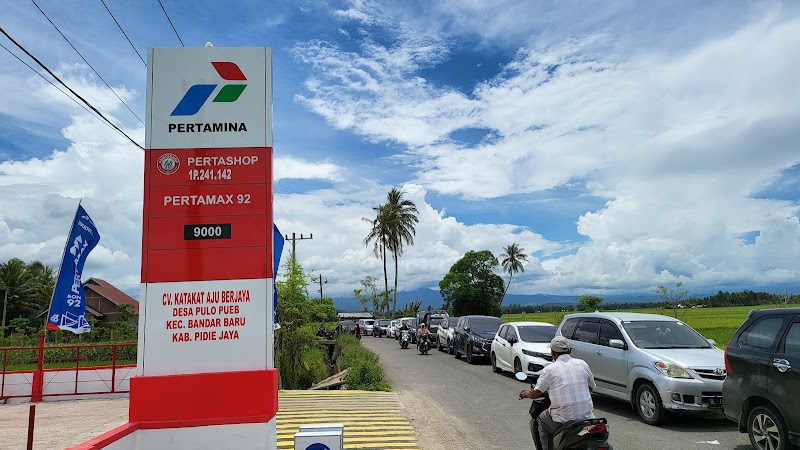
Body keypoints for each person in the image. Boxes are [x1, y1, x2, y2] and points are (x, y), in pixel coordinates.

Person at [519, 336, 596, 450]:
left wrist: (526, 394)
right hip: (587, 417)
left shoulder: (549, 370)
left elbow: (536, 393)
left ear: (553, 353)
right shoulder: (582, 364)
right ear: (569, 350)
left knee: (541, 419)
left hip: (565, 419)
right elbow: (592, 386)